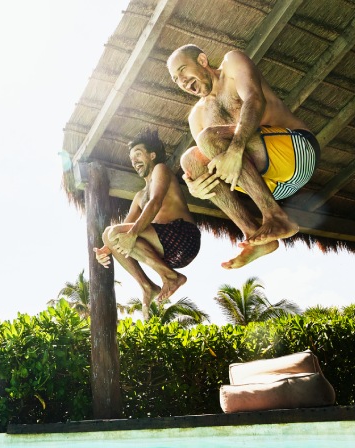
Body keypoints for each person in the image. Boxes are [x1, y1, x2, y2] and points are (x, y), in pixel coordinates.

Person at [166, 44, 320, 269]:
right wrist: (195, 186)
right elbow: (211, 167)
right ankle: (252, 234)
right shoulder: (197, 116)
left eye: (182, 70)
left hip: (298, 153)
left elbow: (255, 100)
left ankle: (275, 216)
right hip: (272, 186)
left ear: (201, 60)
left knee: (209, 138)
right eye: (175, 79)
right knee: (190, 160)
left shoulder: (232, 64)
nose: (180, 80)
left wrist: (236, 149)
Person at [94, 128, 202, 319]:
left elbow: (156, 202)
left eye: (138, 154)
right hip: (166, 254)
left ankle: (171, 277)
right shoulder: (138, 196)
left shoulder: (161, 169)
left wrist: (129, 234)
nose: (134, 161)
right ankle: (147, 285)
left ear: (152, 155)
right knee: (108, 235)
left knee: (115, 233)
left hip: (184, 237)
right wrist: (105, 250)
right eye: (131, 158)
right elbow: (121, 232)